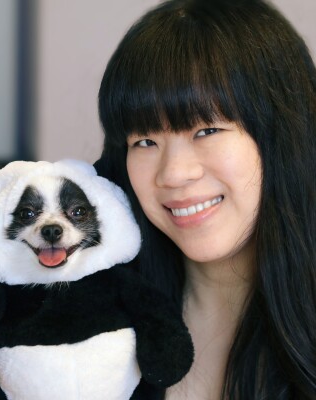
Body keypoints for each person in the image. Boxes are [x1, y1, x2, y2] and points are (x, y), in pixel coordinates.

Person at [95, 0, 316, 399]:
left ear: (282, 135)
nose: (174, 174)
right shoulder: (89, 322)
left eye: (207, 130)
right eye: (145, 141)